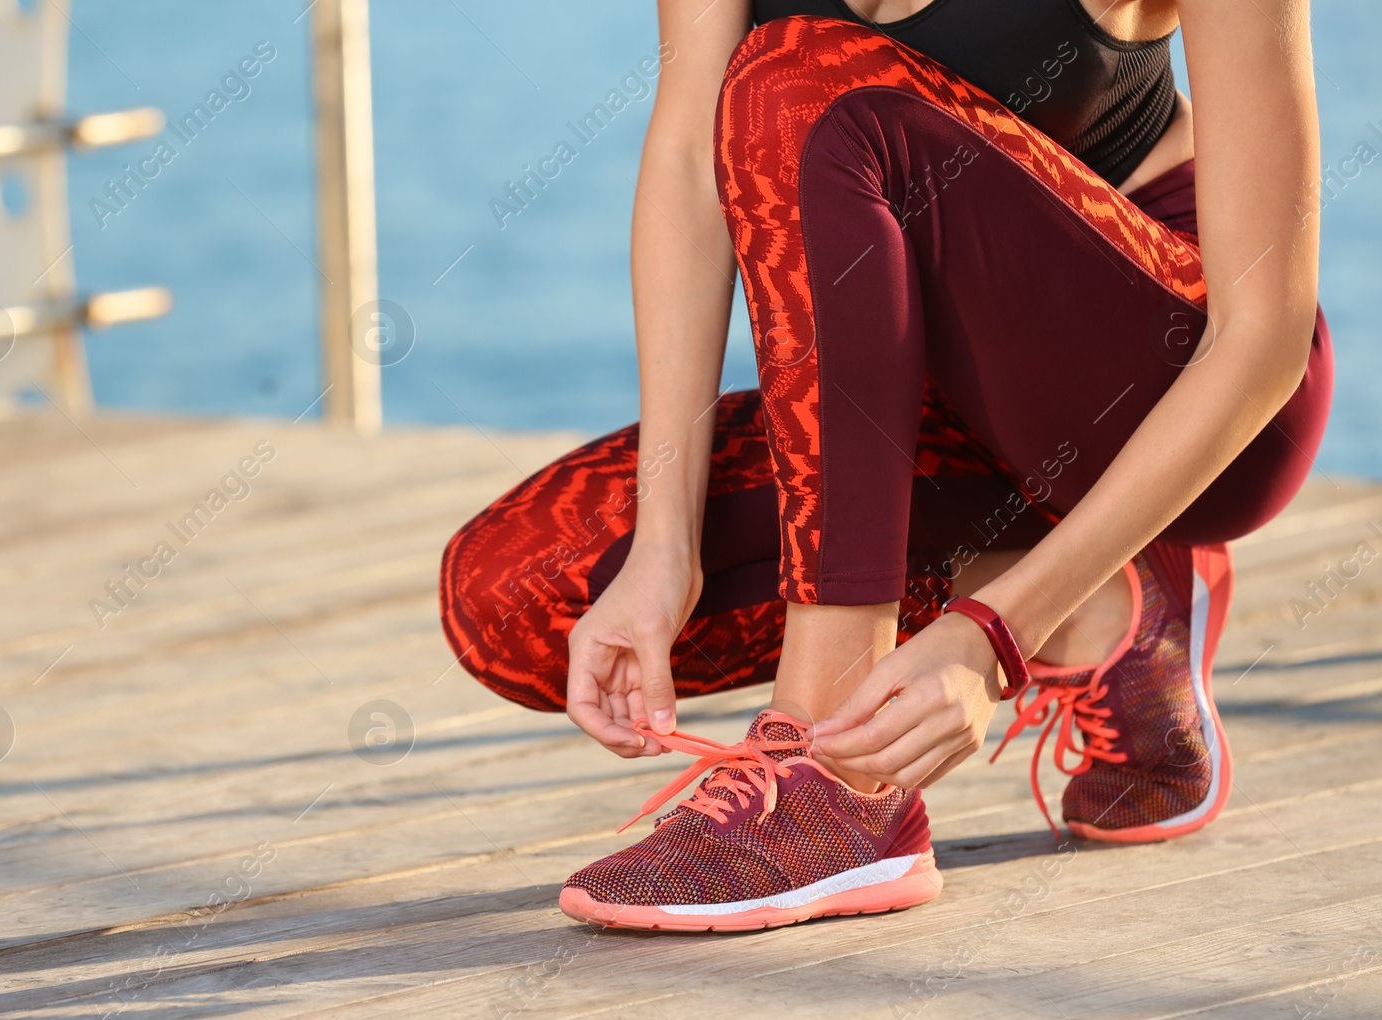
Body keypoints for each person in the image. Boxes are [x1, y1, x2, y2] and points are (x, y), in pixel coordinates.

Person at [440, 0, 1331, 932]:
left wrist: (997, 636)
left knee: (799, 81)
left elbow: (1262, 336)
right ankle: (1113, 606)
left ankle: (835, 781)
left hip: (1178, 383)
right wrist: (665, 542)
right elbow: (685, 160)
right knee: (521, 595)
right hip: (935, 404)